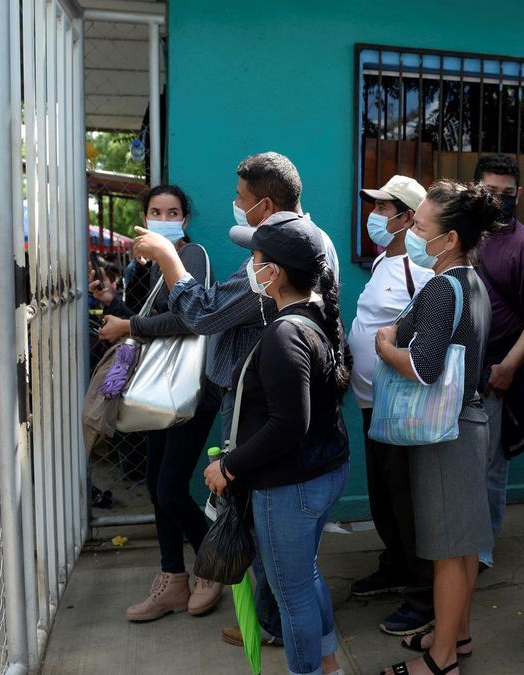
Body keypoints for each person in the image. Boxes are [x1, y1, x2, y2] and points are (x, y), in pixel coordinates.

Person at [136, 151, 339, 649]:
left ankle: (286, 633)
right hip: (289, 415)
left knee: (279, 550)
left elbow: (205, 315)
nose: (236, 206)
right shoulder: (309, 243)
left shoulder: (276, 271)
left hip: (262, 413)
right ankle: (288, 629)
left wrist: (167, 259)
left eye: (242, 200)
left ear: (266, 205)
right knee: (290, 554)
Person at [198, 219, 351, 675]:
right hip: (319, 474)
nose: (251, 268)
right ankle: (328, 665)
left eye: (256, 261)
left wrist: (228, 466)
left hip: (292, 487)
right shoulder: (313, 316)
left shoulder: (286, 334)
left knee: (292, 593)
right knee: (305, 577)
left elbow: (289, 425)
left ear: (275, 273)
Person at [375, 180, 498, 675]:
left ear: (448, 240)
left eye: (420, 225)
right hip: (468, 424)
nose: (410, 229)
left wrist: (386, 347)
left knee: (448, 552)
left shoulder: (441, 287)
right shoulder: (473, 281)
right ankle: (458, 633)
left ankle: (441, 658)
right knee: (464, 543)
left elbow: (424, 366)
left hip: (444, 433)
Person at [87, 185, 225, 622]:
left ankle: (215, 565)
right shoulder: (141, 266)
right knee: (155, 487)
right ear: (144, 216)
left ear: (185, 218)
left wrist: (127, 322)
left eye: (173, 211)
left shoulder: (193, 257)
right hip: (157, 391)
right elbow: (148, 323)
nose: (164, 217)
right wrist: (115, 303)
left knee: (170, 488)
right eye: (156, 210)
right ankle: (172, 579)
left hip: (190, 391)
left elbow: (189, 317)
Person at [347, 175, 436, 635]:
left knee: (406, 498)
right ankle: (396, 564)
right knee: (383, 495)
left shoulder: (422, 269)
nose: (376, 216)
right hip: (369, 402)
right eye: (375, 206)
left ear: (408, 218)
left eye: (385, 208)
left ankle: (424, 593)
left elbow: (423, 335)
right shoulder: (385, 259)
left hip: (400, 405)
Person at [471, 154, 524, 573]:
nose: (499, 200)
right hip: (451, 371)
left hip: (493, 374)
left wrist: (507, 369)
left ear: (518, 194)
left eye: (507, 193)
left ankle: (481, 550)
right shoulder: (460, 233)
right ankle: (455, 543)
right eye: (490, 192)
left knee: (488, 466)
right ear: (475, 189)